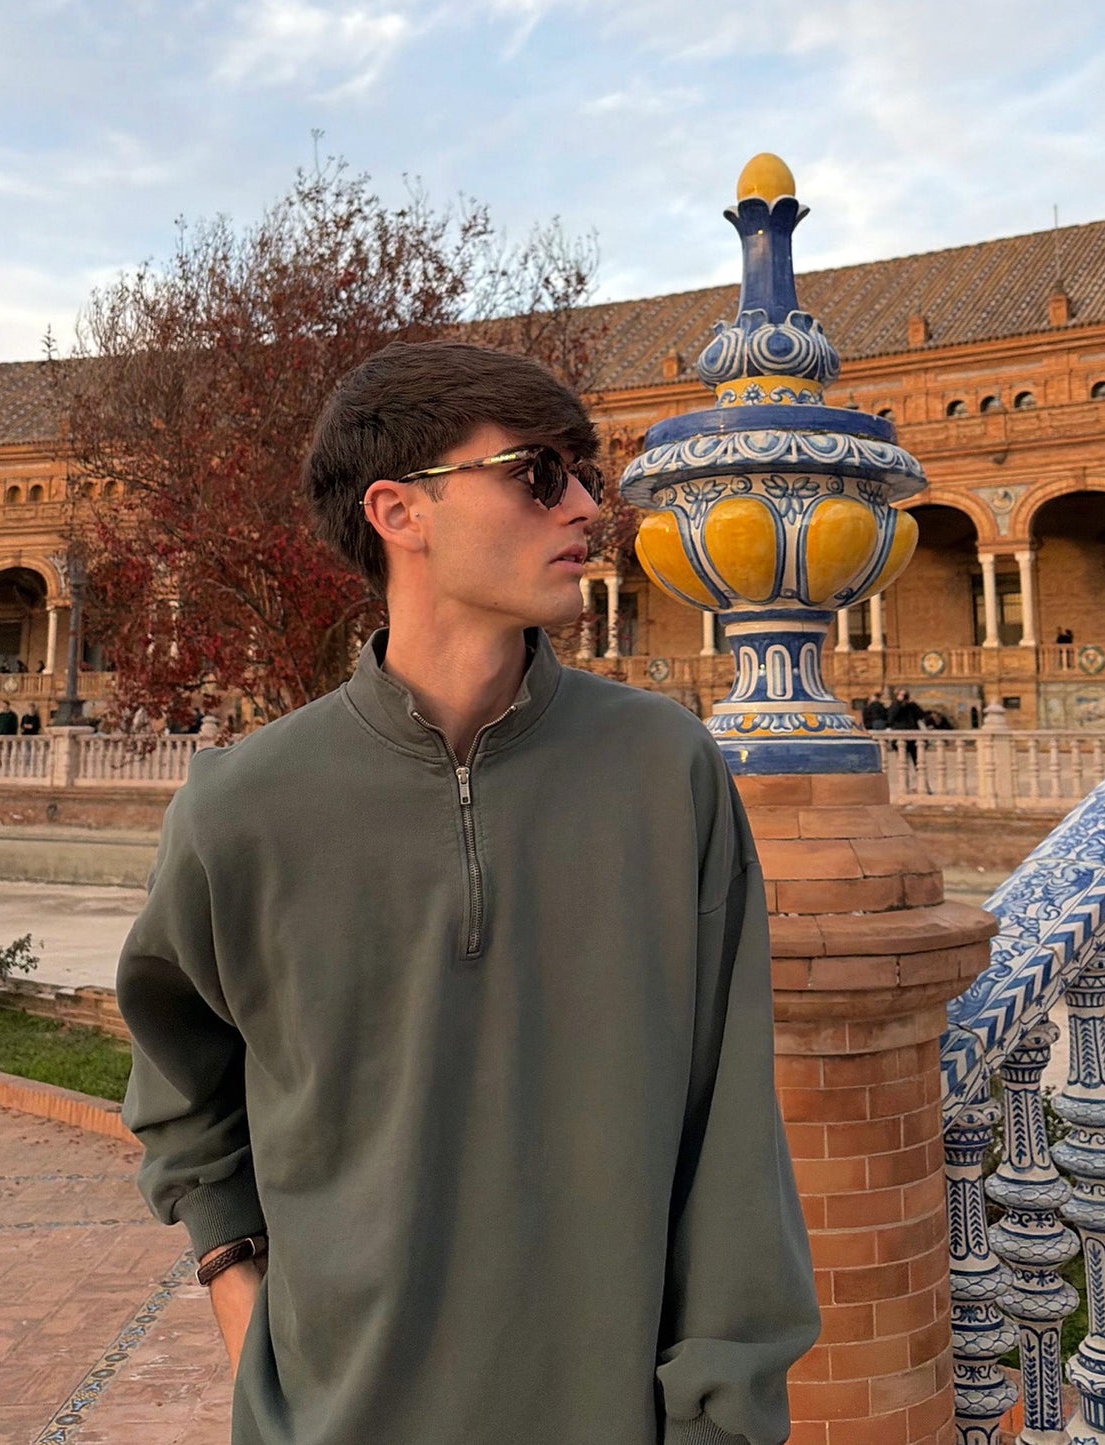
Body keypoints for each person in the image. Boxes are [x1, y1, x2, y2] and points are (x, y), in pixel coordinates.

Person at [117, 340, 819, 1445]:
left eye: (585, 470)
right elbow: (179, 1081)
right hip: (325, 1414)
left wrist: (720, 1412)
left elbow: (729, 1126)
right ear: (400, 512)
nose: (588, 503)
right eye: (539, 472)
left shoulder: (662, 772)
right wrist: (232, 1284)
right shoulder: (241, 807)